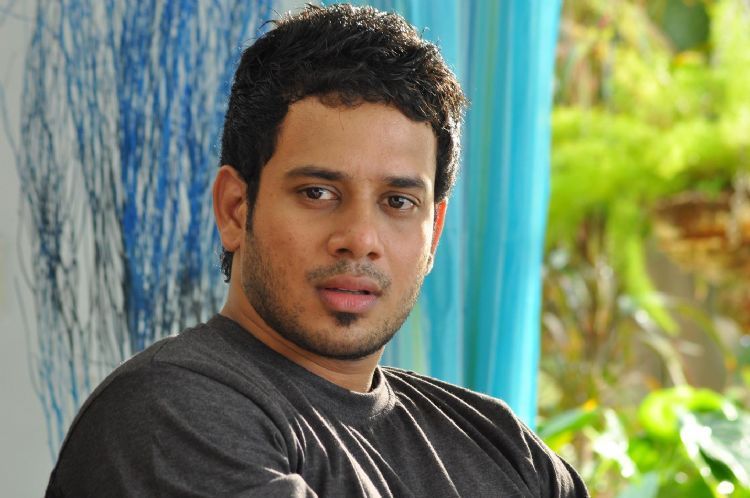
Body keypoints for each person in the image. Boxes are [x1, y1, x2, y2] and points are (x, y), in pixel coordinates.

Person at [46, 4, 589, 497]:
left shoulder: (503, 446)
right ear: (235, 209)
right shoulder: (168, 413)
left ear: (435, 231)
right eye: (318, 193)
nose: (360, 238)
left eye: (398, 202)